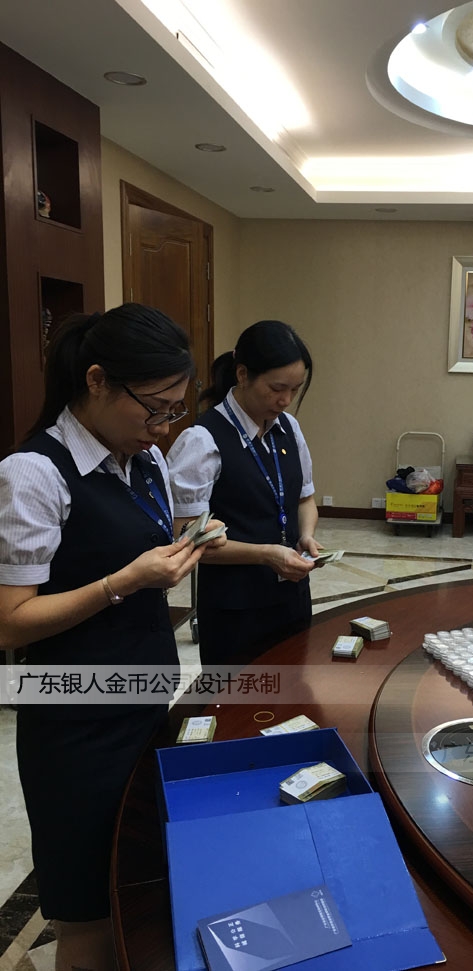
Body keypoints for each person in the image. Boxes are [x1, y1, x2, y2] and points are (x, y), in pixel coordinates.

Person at [0, 303, 225, 971]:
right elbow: (10, 620)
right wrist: (121, 582)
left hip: (143, 698)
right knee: (89, 911)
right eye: (153, 408)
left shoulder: (146, 459)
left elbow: (145, 545)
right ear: (96, 381)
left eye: (174, 411)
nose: (163, 427)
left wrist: (190, 543)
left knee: (137, 884)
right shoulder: (33, 473)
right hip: (75, 723)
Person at [167, 319, 321, 667]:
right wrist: (265, 554)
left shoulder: (289, 428)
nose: (285, 400)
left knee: (292, 686)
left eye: (295, 390)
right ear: (242, 374)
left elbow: (305, 499)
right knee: (239, 694)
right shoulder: (202, 441)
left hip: (292, 596)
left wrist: (307, 535)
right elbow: (186, 539)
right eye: (276, 388)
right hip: (235, 608)